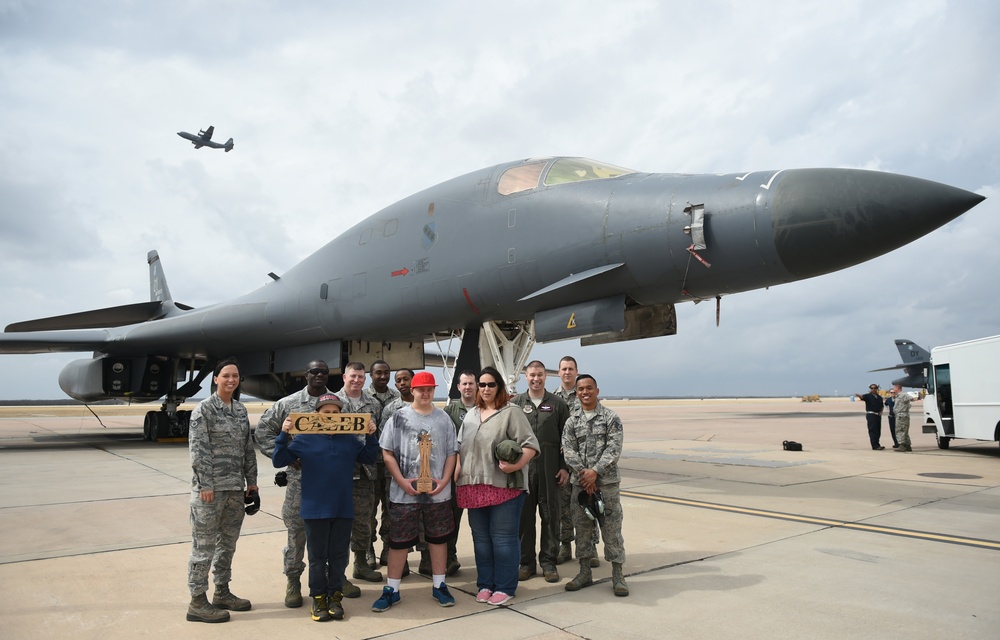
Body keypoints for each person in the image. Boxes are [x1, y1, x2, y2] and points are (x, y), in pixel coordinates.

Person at [255, 360, 363, 605]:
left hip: (332, 484)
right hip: (299, 484)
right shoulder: (288, 404)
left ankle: (334, 579)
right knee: (297, 533)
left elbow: (350, 438)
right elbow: (263, 432)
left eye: (324, 372)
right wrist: (290, 458)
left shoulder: (337, 404)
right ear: (306, 375)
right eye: (315, 372)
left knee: (334, 536)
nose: (320, 375)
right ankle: (293, 579)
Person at [272, 395, 380, 621]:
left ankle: (335, 597)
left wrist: (371, 436)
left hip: (342, 507)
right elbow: (279, 459)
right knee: (318, 558)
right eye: (326, 413)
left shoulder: (350, 439)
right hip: (314, 509)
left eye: (335, 413)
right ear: (317, 415)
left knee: (339, 556)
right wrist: (284, 434)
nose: (331, 417)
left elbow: (369, 457)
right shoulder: (305, 439)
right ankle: (318, 598)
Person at [371, 371, 459, 612]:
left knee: (438, 539)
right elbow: (387, 452)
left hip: (438, 493)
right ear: (413, 390)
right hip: (404, 493)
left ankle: (439, 585)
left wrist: (444, 481)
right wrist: (401, 481)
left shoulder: (443, 419)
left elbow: (452, 453)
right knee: (398, 542)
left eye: (430, 389)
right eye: (421, 389)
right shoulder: (398, 418)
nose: (426, 393)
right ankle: (392, 589)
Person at [455, 366, 539, 606]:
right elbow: (460, 447)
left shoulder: (511, 412)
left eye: (491, 384)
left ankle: (505, 586)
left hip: (504, 487)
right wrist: (457, 473)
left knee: (503, 539)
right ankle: (485, 583)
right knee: (481, 540)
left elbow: (530, 445)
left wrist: (516, 465)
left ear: (500, 387)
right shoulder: (471, 414)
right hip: (473, 486)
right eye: (482, 385)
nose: (485, 389)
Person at [186, 357, 259, 623]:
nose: (231, 380)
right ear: (215, 379)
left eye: (235, 376)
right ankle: (196, 601)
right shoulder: (203, 410)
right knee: (203, 548)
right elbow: (198, 449)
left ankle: (222, 592)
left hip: (234, 491)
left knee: (227, 546)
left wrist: (252, 482)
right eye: (226, 375)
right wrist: (206, 484)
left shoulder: (240, 410)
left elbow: (247, 449)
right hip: (210, 492)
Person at [562, 374, 629, 597]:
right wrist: (584, 476)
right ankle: (584, 571)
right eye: (581, 389)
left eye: (589, 388)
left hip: (606, 484)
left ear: (597, 391)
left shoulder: (611, 418)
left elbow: (614, 448)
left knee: (611, 528)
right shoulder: (572, 421)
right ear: (577, 392)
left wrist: (595, 473)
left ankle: (618, 574)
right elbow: (568, 450)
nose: (585, 392)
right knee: (582, 529)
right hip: (581, 485)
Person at [512, 360, 569, 583]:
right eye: (532, 375)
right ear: (525, 377)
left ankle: (548, 562)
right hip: (524, 470)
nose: (536, 379)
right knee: (524, 518)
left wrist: (565, 467)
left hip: (550, 468)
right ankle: (526, 563)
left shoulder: (557, 404)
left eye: (540, 375)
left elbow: (568, 439)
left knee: (550, 516)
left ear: (546, 376)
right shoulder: (516, 404)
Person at [335, 362, 385, 584]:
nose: (357, 380)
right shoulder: (332, 402)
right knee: (338, 525)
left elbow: (379, 435)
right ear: (344, 377)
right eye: (353, 376)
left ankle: (361, 564)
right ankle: (338, 571)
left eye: (361, 377)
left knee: (364, 523)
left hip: (365, 473)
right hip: (339, 474)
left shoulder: (373, 403)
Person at [364, 361, 400, 571]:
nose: (383, 376)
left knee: (390, 507)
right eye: (378, 372)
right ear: (371, 375)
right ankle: (368, 549)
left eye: (386, 372)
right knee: (368, 509)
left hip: (390, 465)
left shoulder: (397, 398)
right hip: (368, 464)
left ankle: (388, 547)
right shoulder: (364, 397)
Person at [442, 370, 478, 576]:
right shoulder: (450, 410)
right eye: (464, 384)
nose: (467, 387)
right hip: (456, 474)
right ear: (458, 387)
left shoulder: (485, 408)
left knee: (479, 520)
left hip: (479, 473)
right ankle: (449, 557)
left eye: (471, 383)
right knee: (452, 517)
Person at [855, 384, 886, 450]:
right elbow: (862, 397)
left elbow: (882, 406)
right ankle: (874, 446)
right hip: (871, 415)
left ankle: (877, 444)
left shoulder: (879, 397)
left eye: (875, 388)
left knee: (878, 431)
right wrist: (859, 395)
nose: (873, 389)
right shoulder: (868, 396)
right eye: (872, 388)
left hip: (878, 415)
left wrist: (881, 412)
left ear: (877, 389)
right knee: (873, 430)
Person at [889, 384, 913, 452]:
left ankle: (901, 445)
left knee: (900, 430)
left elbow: (911, 398)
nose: (893, 389)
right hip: (902, 415)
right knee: (904, 431)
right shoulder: (898, 396)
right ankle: (908, 445)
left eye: (894, 387)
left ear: (897, 388)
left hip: (901, 415)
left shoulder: (902, 395)